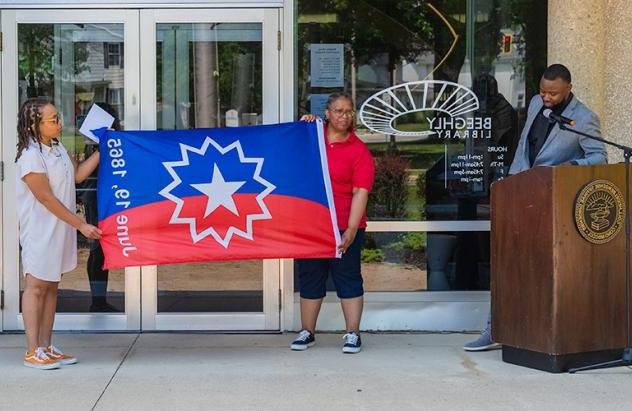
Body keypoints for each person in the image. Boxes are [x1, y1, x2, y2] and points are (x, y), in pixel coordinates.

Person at [463, 64, 608, 351]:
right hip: (518, 193)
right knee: (507, 266)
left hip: (551, 203)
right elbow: (525, 147)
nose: (546, 97)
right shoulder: (533, 103)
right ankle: (495, 330)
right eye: (543, 91)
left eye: (552, 93)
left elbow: (599, 157)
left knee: (540, 271)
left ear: (568, 88)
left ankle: (537, 333)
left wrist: (568, 167)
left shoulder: (584, 118)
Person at [17, 98, 101, 369]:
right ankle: (32, 351)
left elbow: (77, 176)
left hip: (59, 229)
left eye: (58, 118)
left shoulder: (56, 147)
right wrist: (80, 224)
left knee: (52, 286)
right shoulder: (30, 155)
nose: (59, 123)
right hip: (41, 229)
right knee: (36, 287)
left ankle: (46, 346)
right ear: (34, 124)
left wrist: (103, 149)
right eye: (53, 120)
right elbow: (46, 198)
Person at [290, 92, 375, 354]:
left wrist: (350, 230)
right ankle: (307, 331)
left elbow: (360, 192)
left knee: (347, 277)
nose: (344, 116)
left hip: (344, 224)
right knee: (310, 277)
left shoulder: (359, 150)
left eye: (349, 111)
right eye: (338, 111)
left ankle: (353, 333)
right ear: (327, 113)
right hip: (313, 224)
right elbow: (286, 154)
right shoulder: (311, 139)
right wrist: (303, 125)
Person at [80, 102, 120, 312]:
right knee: (98, 248)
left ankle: (99, 300)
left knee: (99, 249)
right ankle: (98, 301)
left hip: (102, 194)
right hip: (96, 194)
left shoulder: (95, 141)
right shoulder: (95, 143)